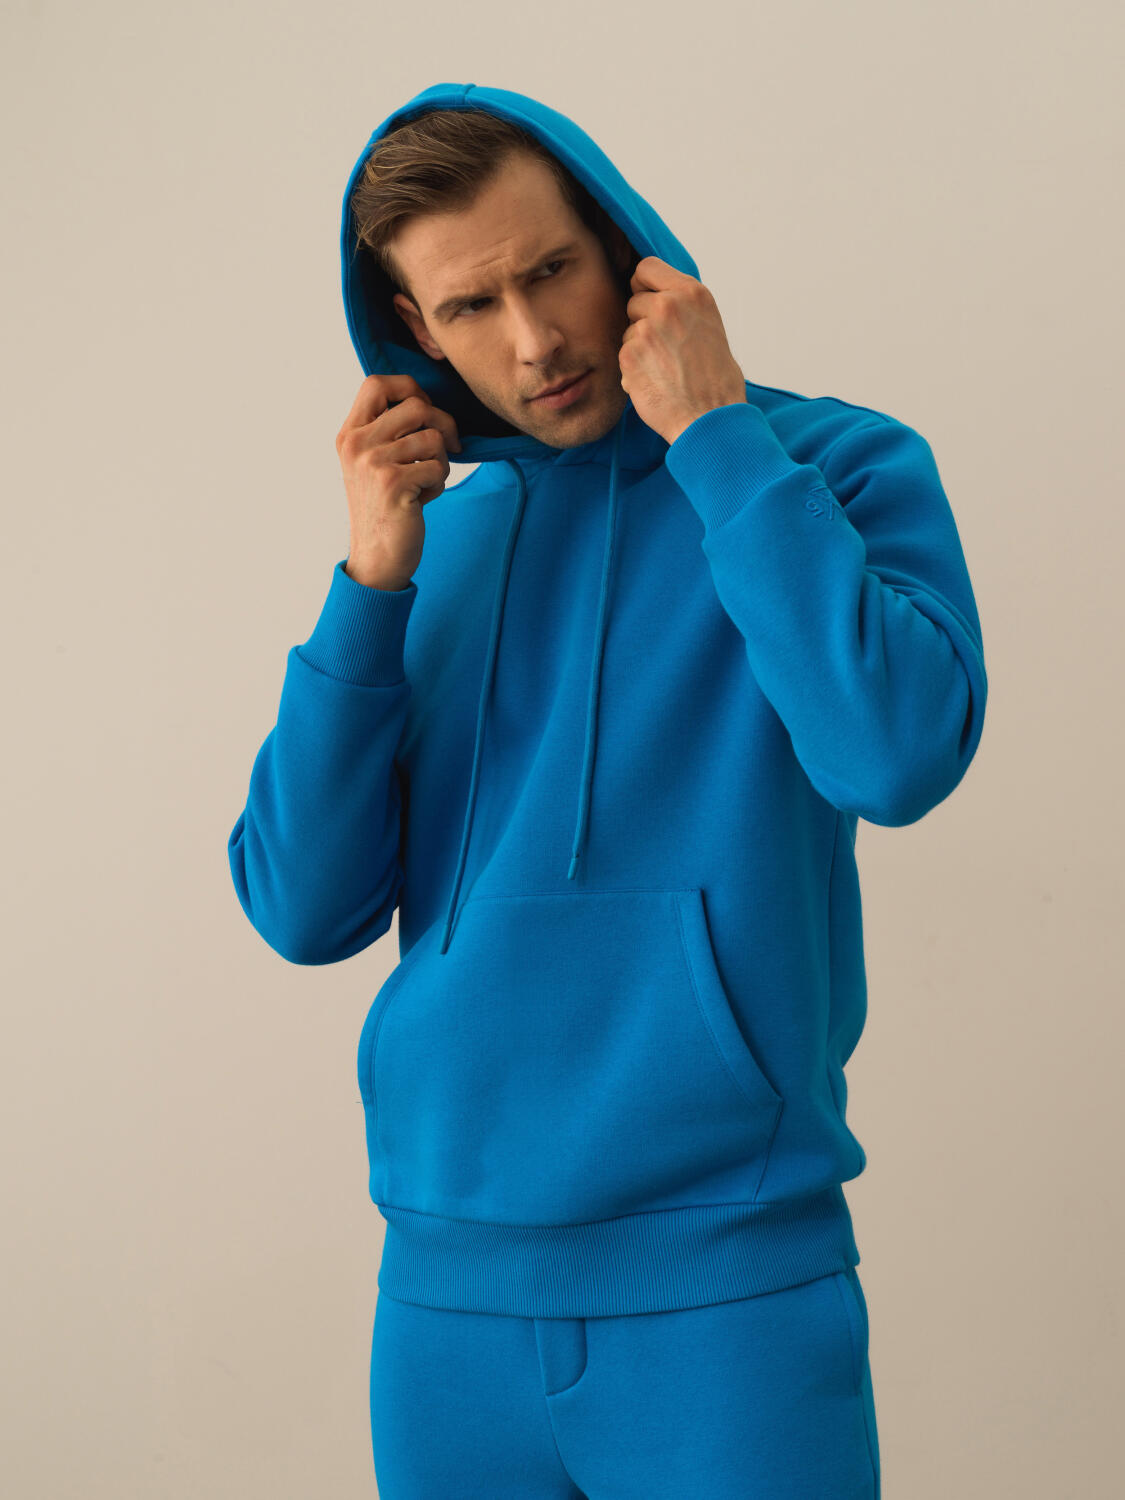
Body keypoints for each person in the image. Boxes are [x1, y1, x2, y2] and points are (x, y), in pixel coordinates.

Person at [227, 81, 988, 1498]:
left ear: (623, 247)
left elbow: (894, 753)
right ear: (414, 332)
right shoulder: (430, 550)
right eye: (471, 307)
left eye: (551, 271)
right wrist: (367, 586)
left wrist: (716, 441)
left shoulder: (830, 469)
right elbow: (301, 908)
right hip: (443, 1313)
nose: (532, 342)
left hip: (729, 1301)